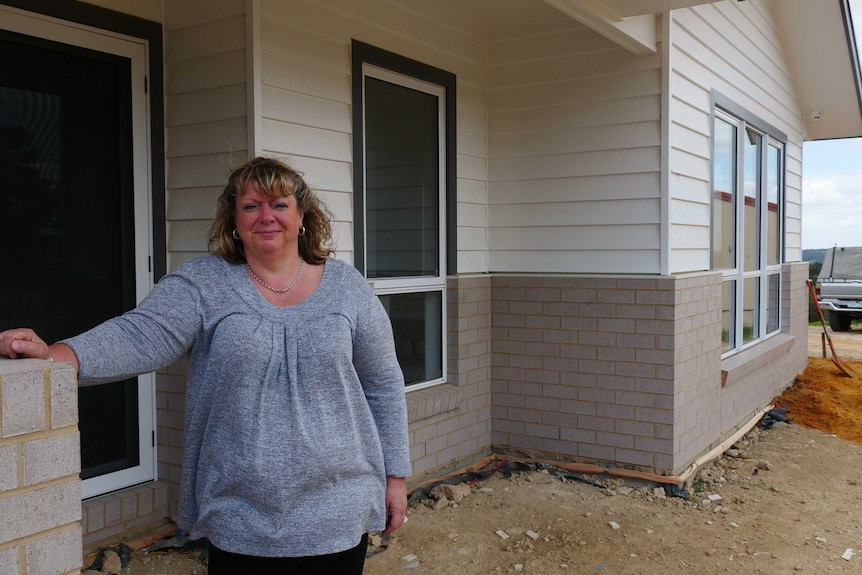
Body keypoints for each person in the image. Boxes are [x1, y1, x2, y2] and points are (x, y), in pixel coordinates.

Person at [0, 156, 411, 574]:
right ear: (233, 220)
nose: (266, 216)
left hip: (338, 504)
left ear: (302, 215)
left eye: (279, 204)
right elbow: (141, 336)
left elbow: (382, 383)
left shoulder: (348, 287)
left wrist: (395, 478)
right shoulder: (203, 283)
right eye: (251, 206)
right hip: (240, 512)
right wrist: (54, 355)